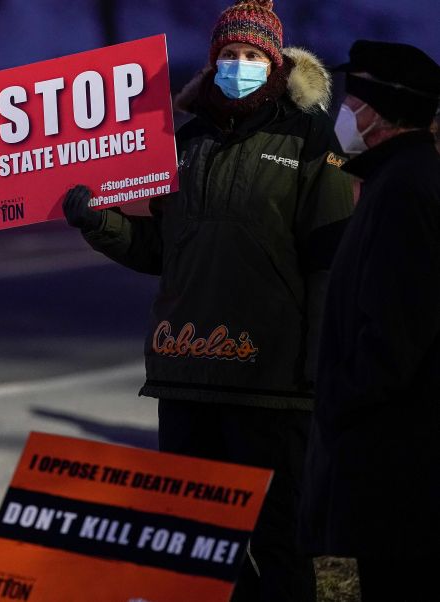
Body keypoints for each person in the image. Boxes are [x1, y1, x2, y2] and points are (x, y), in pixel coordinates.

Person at [63, 1, 354, 599]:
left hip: (270, 380)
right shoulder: (183, 136)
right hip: (187, 374)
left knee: (278, 543)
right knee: (195, 542)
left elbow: (329, 263)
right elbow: (159, 251)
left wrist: (319, 366)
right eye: (228, 55)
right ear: (212, 60)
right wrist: (98, 222)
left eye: (251, 56)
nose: (239, 65)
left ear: (275, 62)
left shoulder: (306, 137)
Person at [298, 40, 440, 602]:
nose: (344, 112)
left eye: (353, 98)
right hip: (397, 457)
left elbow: (395, 333)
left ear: (379, 112)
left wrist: (336, 396)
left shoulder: (406, 190)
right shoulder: (397, 179)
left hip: (401, 463)